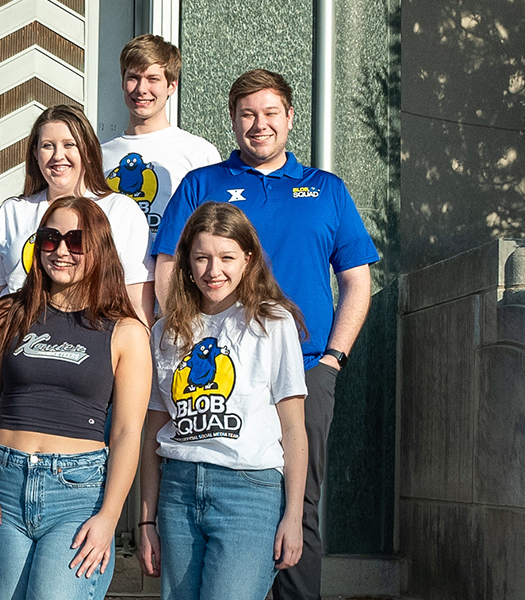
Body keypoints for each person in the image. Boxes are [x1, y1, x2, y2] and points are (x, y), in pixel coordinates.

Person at [151, 69, 380, 600]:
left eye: (271, 113)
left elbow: (356, 280)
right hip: (213, 372)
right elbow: (168, 266)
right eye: (247, 114)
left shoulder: (326, 190)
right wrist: (184, 336)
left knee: (300, 506)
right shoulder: (201, 184)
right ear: (232, 120)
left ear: (290, 118)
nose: (259, 125)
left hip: (304, 367)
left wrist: (333, 360)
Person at [0, 196, 151, 600]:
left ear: (98, 248)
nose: (61, 251)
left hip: (78, 494)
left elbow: (127, 433)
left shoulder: (127, 332)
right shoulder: (6, 314)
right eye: (50, 239)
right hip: (1, 488)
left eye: (75, 240)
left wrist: (110, 516)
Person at [139, 202, 309, 599]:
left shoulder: (272, 322)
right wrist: (146, 521)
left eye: (227, 257)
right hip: (178, 491)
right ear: (186, 263)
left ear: (248, 260)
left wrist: (295, 515)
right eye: (202, 258)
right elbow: (152, 432)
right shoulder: (165, 332)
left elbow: (294, 427)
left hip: (249, 490)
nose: (214, 271)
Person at [0, 104, 153, 393]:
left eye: (69, 145)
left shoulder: (121, 211)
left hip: (92, 367)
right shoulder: (13, 213)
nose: (58, 156)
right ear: (34, 154)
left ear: (88, 151)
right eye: (47, 146)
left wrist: (136, 366)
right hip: (17, 361)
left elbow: (136, 302)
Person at [100, 34, 220, 246]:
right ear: (122, 82)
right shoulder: (98, 154)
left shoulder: (199, 152)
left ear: (172, 86)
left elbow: (214, 229)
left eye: (152, 79)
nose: (141, 89)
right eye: (133, 78)